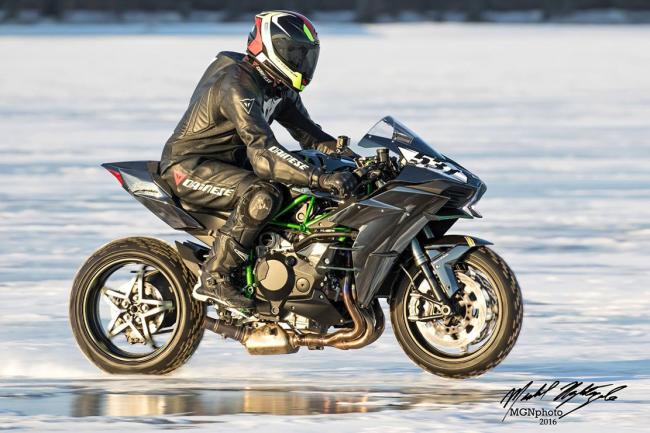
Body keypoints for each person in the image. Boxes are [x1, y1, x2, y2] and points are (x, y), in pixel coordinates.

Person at [159, 11, 358, 308]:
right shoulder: (237, 84)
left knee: (304, 183)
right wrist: (319, 178)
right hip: (189, 167)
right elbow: (264, 154)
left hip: (233, 166)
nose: (300, 61)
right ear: (269, 47)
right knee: (263, 194)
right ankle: (216, 277)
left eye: (304, 55)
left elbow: (311, 136)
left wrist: (354, 162)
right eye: (292, 52)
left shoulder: (277, 87)